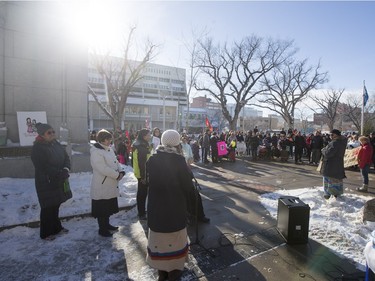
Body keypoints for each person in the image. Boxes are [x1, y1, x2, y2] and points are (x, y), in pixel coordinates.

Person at [145, 130, 192, 280]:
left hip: (156, 207)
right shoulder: (179, 161)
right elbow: (187, 186)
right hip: (174, 208)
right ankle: (174, 272)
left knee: (159, 239)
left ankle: (162, 272)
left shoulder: (152, 159)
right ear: (177, 142)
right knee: (175, 240)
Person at [31, 123, 72, 241]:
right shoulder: (37, 148)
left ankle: (56, 228)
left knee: (56, 205)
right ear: (42, 135)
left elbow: (66, 158)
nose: (52, 134)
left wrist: (65, 169)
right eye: (49, 132)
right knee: (47, 207)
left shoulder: (56, 143)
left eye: (53, 131)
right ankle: (45, 233)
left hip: (59, 179)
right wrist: (58, 173)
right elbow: (42, 166)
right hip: (46, 181)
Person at [90, 129, 125, 237]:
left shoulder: (108, 149)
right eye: (108, 139)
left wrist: (121, 170)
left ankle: (107, 225)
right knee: (102, 209)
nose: (110, 141)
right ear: (102, 140)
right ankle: (102, 229)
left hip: (110, 184)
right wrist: (116, 175)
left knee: (108, 208)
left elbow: (115, 162)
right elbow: (102, 168)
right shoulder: (96, 152)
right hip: (102, 184)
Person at [320, 129, 348, 199]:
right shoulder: (343, 142)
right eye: (330, 135)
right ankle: (336, 194)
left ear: (337, 135)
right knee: (336, 179)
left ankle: (329, 195)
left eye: (332, 135)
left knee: (329, 180)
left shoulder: (335, 143)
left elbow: (328, 153)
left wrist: (323, 150)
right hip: (338, 164)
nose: (330, 136)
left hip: (331, 165)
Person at [132, 128, 152, 220]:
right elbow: (142, 163)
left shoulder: (140, 144)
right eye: (148, 135)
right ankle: (141, 213)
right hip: (142, 174)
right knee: (142, 194)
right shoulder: (141, 146)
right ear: (144, 136)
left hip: (140, 173)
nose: (150, 136)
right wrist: (143, 177)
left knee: (142, 193)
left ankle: (142, 211)